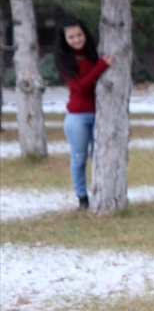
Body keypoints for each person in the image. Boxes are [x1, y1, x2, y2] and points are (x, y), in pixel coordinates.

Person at [54, 19, 114, 210]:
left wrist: (100, 63)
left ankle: (103, 193)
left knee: (100, 156)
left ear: (85, 35)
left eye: (79, 35)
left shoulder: (93, 55)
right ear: (65, 39)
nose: (76, 39)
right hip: (77, 117)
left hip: (100, 114)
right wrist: (101, 66)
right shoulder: (64, 60)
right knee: (79, 159)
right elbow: (79, 87)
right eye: (71, 37)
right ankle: (82, 198)